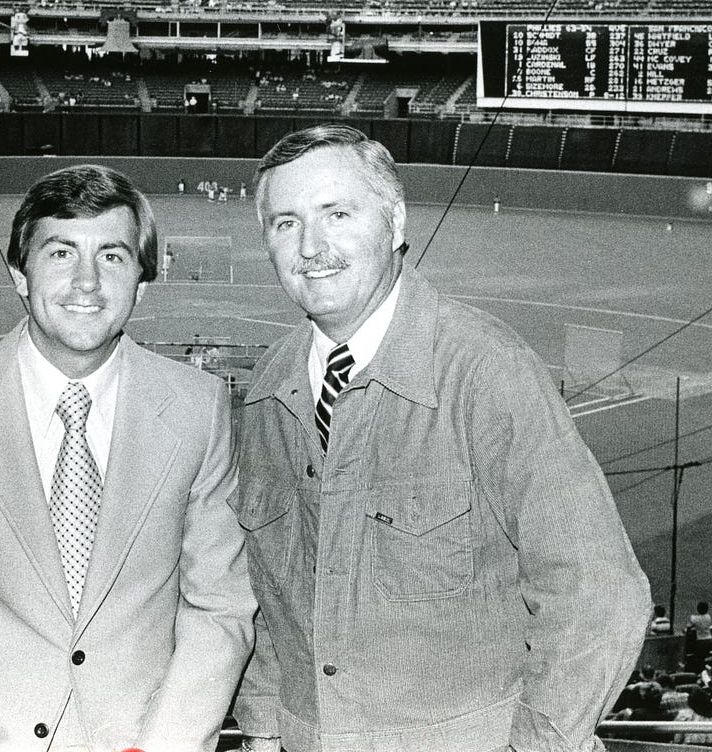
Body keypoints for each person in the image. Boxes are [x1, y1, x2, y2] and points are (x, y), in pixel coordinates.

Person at [233, 125, 650, 752]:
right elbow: (270, 596)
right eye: (285, 223)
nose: (312, 246)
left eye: (337, 214)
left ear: (395, 222)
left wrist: (533, 746)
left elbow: (598, 592)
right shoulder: (270, 387)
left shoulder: (486, 370)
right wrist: (264, 726)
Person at [0, 164, 256, 752]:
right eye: (61, 253)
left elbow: (219, 605)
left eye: (113, 256)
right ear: (21, 273)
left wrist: (165, 744)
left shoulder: (200, 408)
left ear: (142, 282)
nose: (86, 282)